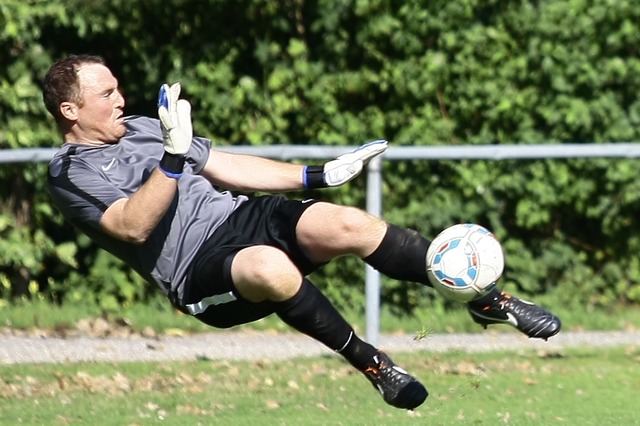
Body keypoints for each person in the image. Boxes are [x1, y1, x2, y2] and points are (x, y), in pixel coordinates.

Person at [43, 54, 561, 410]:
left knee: (349, 222)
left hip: (238, 216)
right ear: (71, 110)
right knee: (270, 266)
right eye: (106, 93)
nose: (120, 97)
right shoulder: (70, 173)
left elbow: (225, 166)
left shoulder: (140, 126)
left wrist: (316, 175)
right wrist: (174, 159)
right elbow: (132, 227)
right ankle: (372, 363)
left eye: (117, 88)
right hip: (195, 269)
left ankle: (488, 300)